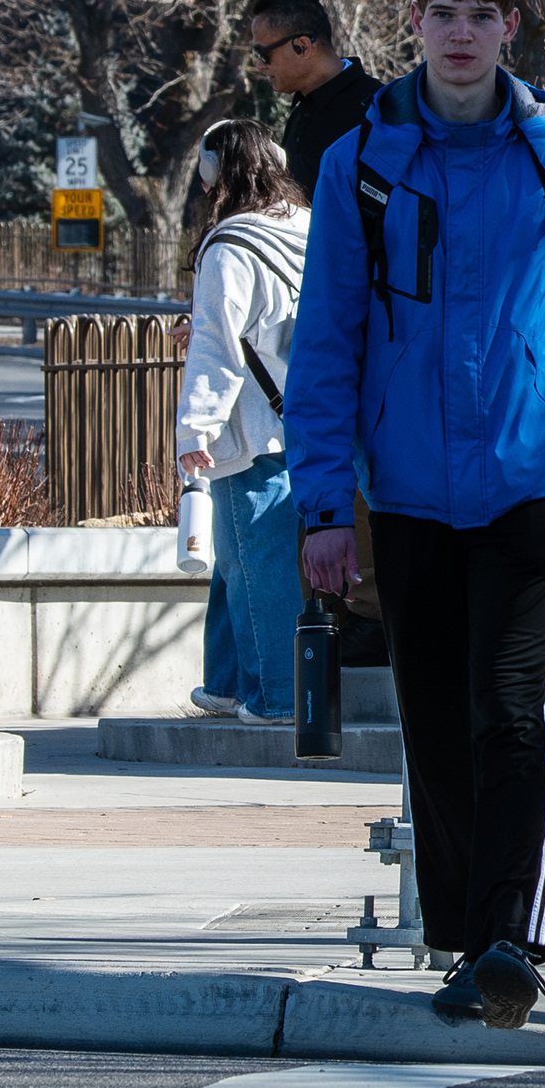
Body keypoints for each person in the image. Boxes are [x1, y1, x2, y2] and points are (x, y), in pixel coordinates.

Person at [290, 0, 545, 1033]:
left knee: (505, 711)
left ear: (511, 28)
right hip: (410, 493)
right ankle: (460, 935)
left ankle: (511, 941)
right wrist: (325, 507)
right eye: (446, 12)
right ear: (419, 24)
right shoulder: (365, 159)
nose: (464, 31)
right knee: (433, 722)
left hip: (528, 485)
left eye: (484, 12)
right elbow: (327, 338)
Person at [173, 122, 311, 726]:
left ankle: (277, 695)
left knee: (259, 563)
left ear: (214, 175)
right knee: (239, 557)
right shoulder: (309, 228)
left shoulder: (228, 246)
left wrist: (193, 429)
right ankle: (225, 683)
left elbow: (217, 346)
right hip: (307, 418)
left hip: (250, 428)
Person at [247, 0, 383, 198]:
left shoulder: (377, 110)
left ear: (302, 46)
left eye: (263, 53)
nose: (259, 65)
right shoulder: (302, 106)